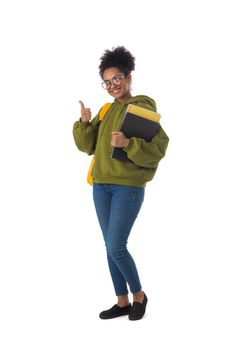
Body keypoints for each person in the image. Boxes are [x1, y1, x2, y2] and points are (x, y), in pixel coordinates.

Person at [73, 46, 169, 320]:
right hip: (101, 186)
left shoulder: (141, 107)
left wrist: (129, 144)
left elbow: (160, 147)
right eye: (107, 81)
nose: (112, 85)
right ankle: (122, 300)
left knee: (116, 246)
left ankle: (139, 295)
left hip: (128, 187)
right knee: (110, 246)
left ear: (128, 77)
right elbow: (87, 146)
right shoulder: (105, 111)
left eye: (117, 78)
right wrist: (83, 123)